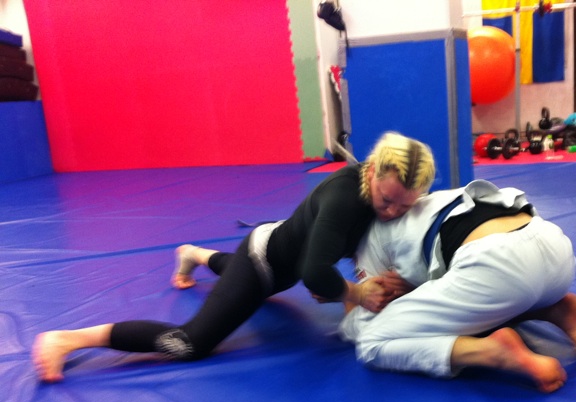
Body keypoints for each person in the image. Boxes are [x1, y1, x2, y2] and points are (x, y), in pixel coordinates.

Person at [33, 132, 436, 382]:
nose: (392, 213)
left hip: (280, 257)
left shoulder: (384, 199)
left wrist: (349, 287)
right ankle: (69, 338)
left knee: (246, 278)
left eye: (404, 206)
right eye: (386, 200)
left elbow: (327, 267)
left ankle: (192, 253)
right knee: (190, 343)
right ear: (371, 171)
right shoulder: (344, 199)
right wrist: (355, 293)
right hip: (264, 261)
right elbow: (315, 273)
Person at [338, 179, 576, 393]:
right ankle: (553, 309)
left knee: (371, 342)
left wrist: (345, 293)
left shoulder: (368, 238)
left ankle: (491, 352)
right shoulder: (429, 200)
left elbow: (364, 319)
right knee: (475, 302)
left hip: (497, 268)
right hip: (554, 250)